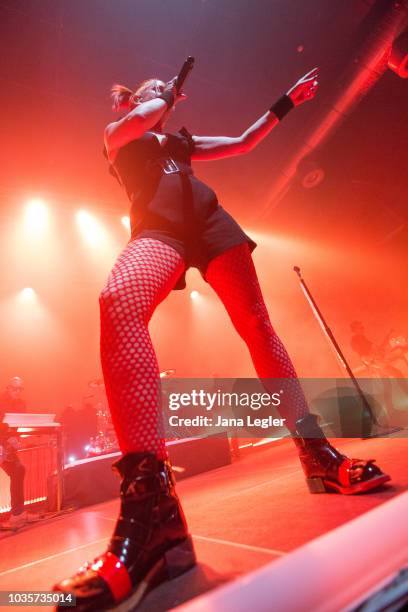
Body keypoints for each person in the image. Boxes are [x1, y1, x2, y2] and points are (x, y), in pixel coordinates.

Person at [53, 68, 390, 610]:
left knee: (258, 326)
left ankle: (318, 455)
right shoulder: (119, 137)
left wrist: (288, 102)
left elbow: (243, 141)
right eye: (153, 89)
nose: (163, 93)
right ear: (134, 102)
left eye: (167, 90)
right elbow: (144, 117)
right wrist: (162, 97)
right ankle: (153, 509)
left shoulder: (179, 141)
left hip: (212, 224)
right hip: (158, 230)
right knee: (119, 301)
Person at [0, 377, 39, 529]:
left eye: (20, 389)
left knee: (18, 470)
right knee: (17, 470)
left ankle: (18, 513)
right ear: (8, 388)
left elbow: (17, 425)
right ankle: (17, 513)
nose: (17, 392)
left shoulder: (20, 404)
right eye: (14, 388)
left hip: (6, 443)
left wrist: (15, 438)